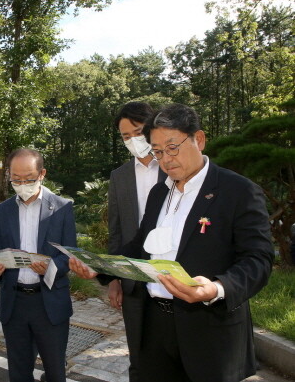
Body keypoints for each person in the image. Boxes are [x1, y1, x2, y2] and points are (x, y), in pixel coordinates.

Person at [70, 104, 274, 382]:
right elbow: (139, 247)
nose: (165, 159)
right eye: (157, 151)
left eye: (172, 147)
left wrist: (217, 287)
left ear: (198, 139)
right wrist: (100, 267)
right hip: (154, 326)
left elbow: (258, 259)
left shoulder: (238, 191)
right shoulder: (159, 193)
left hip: (209, 331)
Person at [0, 148, 76, 382]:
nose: (22, 184)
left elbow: (70, 254)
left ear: (42, 174)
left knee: (55, 371)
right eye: (16, 179)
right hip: (15, 304)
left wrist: (51, 268)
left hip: (49, 303)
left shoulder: (62, 207)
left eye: (29, 179)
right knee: (19, 372)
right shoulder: (2, 210)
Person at [106, 101, 166, 382]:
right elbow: (116, 231)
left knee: (173, 352)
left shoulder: (172, 166)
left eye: (138, 132)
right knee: (139, 356)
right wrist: (115, 278)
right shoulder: (119, 177)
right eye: (125, 136)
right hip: (133, 276)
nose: (132, 140)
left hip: (172, 274)